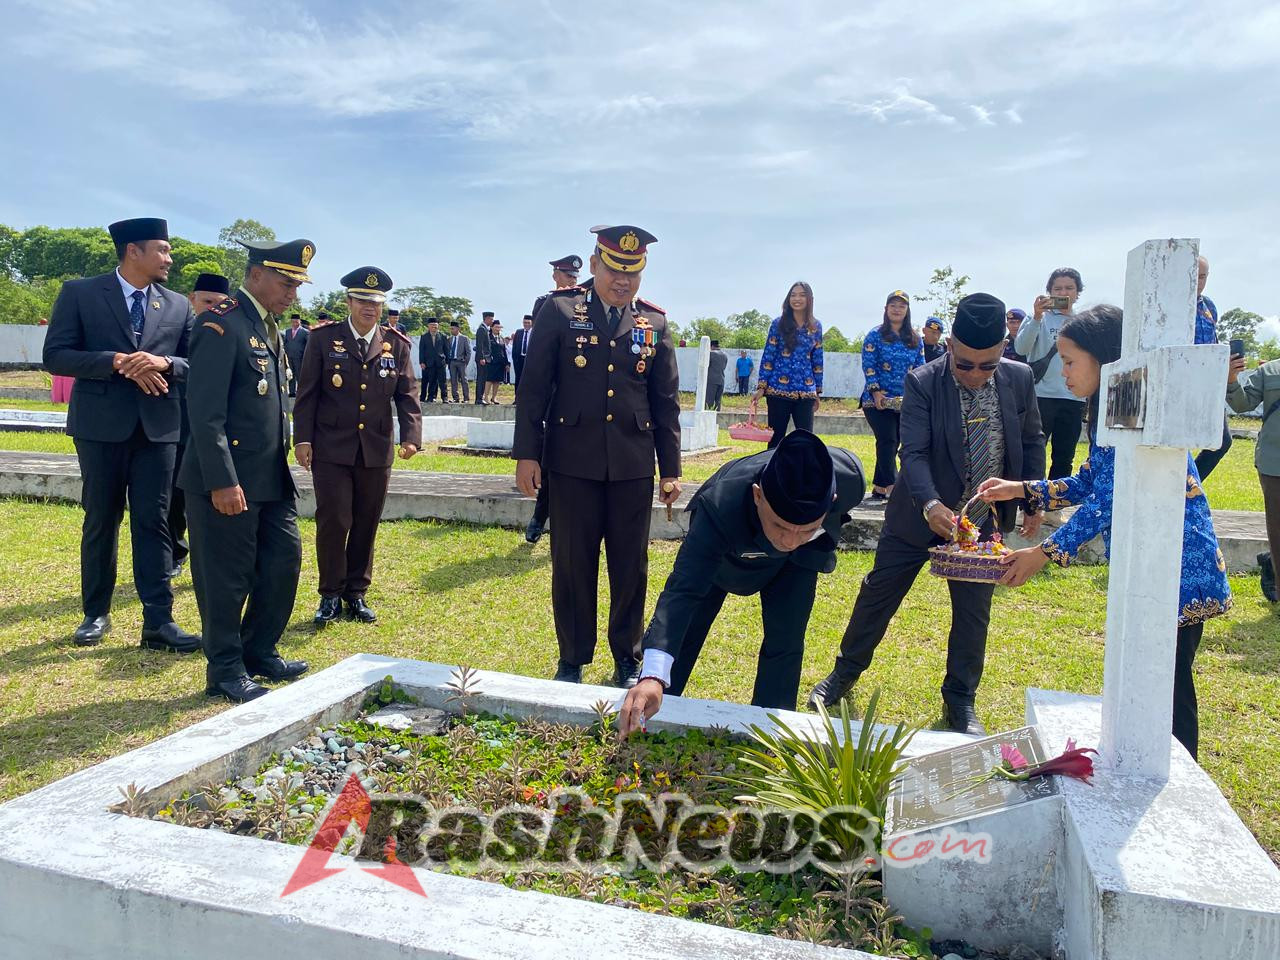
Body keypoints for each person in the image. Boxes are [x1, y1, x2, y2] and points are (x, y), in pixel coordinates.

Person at [981, 304, 1231, 759]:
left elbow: (1107, 497)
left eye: (1071, 361)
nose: (1063, 371)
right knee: (1152, 678)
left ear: (1105, 359)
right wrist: (1022, 489)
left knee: (1168, 684)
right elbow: (1092, 481)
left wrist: (1044, 553)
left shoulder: (1137, 408)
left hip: (1176, 565)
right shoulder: (1107, 407)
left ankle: (1181, 772)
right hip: (1151, 563)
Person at [808, 293, 1045, 735]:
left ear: (1002, 352)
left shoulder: (1020, 378)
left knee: (974, 612)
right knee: (879, 593)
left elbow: (1031, 440)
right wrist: (931, 504)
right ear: (950, 345)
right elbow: (912, 452)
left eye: (988, 365)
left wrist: (1032, 497)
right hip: (918, 514)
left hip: (981, 521)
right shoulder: (922, 381)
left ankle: (961, 701)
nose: (976, 375)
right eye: (966, 364)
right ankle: (844, 674)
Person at [513, 224, 682, 687]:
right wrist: (527, 454)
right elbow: (533, 389)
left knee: (631, 566)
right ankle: (572, 658)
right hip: (571, 460)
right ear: (594, 264)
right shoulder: (561, 310)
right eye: (613, 269)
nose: (622, 280)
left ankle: (628, 657)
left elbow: (665, 402)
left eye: (632, 272)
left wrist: (670, 469)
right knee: (572, 562)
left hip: (631, 465)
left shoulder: (654, 323)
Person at [618, 431, 866, 735]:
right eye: (780, 525)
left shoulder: (849, 480)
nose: (788, 540)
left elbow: (801, 531)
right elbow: (683, 591)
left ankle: (769, 735)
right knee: (686, 631)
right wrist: (652, 676)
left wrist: (804, 536)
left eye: (804, 529)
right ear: (758, 495)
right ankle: (656, 709)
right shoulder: (720, 505)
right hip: (724, 560)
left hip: (797, 566)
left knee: (786, 640)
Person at [42, 217, 200, 653]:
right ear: (134, 251)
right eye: (163, 250)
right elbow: (55, 355)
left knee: (155, 522)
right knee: (101, 519)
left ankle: (159, 622)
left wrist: (163, 364)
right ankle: (95, 613)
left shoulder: (177, 305)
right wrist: (116, 361)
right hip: (100, 429)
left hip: (159, 430)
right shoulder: (81, 293)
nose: (170, 258)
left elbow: (195, 364)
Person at [179, 237, 316, 702]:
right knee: (226, 576)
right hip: (228, 480)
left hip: (270, 476)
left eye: (297, 285)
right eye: (286, 282)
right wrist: (222, 480)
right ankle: (224, 668)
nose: (293, 293)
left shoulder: (267, 327)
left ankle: (260, 651)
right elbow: (205, 413)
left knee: (283, 563)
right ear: (256, 274)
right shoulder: (222, 325)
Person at [294, 265, 422, 626]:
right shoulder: (323, 339)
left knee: (367, 520)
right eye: (363, 300)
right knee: (334, 519)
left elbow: (408, 395)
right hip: (331, 448)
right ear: (349, 301)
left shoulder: (395, 344)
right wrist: (302, 438)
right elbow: (307, 394)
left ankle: (356, 593)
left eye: (377, 302)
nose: (371, 308)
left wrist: (412, 437)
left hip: (375, 448)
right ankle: (330, 595)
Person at [170, 271, 232, 578]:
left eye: (221, 303)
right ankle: (176, 552)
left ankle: (211, 556)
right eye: (207, 301)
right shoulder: (179, 328)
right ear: (192, 299)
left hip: (214, 427)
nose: (213, 308)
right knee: (175, 494)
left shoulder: (226, 330)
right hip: (177, 422)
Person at [522, 255, 583, 544]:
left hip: (578, 398)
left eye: (575, 275)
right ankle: (539, 517)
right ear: (555, 275)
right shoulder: (547, 304)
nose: (572, 278)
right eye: (567, 274)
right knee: (549, 462)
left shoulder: (585, 304)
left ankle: (555, 522)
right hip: (553, 398)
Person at [1015, 267, 1086, 480]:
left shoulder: (1084, 321)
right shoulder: (1038, 318)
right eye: (1058, 288)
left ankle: (1055, 507)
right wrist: (1036, 316)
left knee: (1065, 456)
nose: (1063, 293)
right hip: (1041, 395)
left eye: (1069, 288)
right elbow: (1021, 348)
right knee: (1034, 451)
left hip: (1073, 396)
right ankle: (1028, 502)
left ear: (1077, 292)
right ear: (1049, 291)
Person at [860, 290, 926, 501]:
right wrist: (876, 391)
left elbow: (920, 368)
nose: (897, 310)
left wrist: (918, 396)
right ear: (886, 310)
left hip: (904, 401)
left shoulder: (915, 339)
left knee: (894, 441)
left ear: (907, 311)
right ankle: (892, 486)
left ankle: (879, 487)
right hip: (876, 401)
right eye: (893, 306)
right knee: (887, 439)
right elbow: (868, 365)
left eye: (902, 306)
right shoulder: (875, 335)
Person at [1226, 351, 1280, 603]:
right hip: (1275, 464)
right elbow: (1242, 404)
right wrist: (1231, 379)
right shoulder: (1269, 372)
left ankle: (1270, 562)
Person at [751, 281, 823, 448]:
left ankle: (803, 474)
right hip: (778, 390)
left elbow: (817, 360)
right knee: (775, 440)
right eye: (793, 295)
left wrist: (817, 392)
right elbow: (769, 355)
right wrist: (762, 386)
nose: (797, 299)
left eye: (802, 295)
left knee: (806, 441)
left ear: (809, 299)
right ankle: (772, 473)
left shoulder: (816, 326)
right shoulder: (778, 324)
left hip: (806, 391)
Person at [1193, 256, 1233, 480]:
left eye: (1202, 276)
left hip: (1209, 382)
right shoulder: (1171, 306)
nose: (1198, 281)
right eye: (1194, 275)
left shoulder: (1209, 306)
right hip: (1182, 380)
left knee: (1222, 441)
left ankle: (1187, 488)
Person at [282, 312, 309, 398]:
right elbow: (285, 343)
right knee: (290, 375)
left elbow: (308, 345)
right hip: (289, 357)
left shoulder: (305, 332)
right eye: (293, 322)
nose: (294, 323)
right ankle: (292, 392)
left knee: (299, 375)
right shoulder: (288, 331)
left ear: (299, 322)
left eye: (296, 322)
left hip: (300, 357)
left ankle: (301, 391)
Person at [446, 319, 471, 402]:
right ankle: (455, 398)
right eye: (450, 328)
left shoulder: (464, 338)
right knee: (453, 380)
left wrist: (465, 362)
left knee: (464, 380)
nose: (451, 330)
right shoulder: (449, 339)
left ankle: (466, 398)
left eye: (453, 328)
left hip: (461, 361)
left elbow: (468, 352)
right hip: (452, 362)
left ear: (458, 329)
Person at [484, 321, 507, 403]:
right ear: (492, 327)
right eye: (496, 327)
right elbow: (485, 349)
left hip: (500, 363)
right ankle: (486, 397)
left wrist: (506, 363)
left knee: (497, 380)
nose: (498, 329)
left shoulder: (501, 338)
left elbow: (504, 351)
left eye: (499, 327)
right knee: (489, 379)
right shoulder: (488, 337)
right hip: (491, 362)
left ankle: (494, 397)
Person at [474, 311, 494, 404]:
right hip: (483, 358)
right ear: (486, 319)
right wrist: (481, 357)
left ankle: (480, 397)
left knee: (483, 378)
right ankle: (479, 398)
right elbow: (480, 345)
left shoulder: (486, 329)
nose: (492, 321)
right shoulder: (481, 329)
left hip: (486, 358)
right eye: (491, 319)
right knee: (481, 379)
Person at [511, 315, 534, 390]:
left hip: (529, 359)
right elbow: (514, 347)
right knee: (518, 378)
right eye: (524, 323)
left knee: (529, 378)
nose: (526, 324)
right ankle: (517, 398)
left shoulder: (534, 333)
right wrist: (515, 359)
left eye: (528, 323)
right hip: (519, 359)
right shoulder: (519, 332)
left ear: (532, 323)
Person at [705, 339, 728, 410]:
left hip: (711, 380)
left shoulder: (711, 354)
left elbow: (706, 365)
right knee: (718, 401)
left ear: (711, 346)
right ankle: (717, 417)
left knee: (709, 401)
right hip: (721, 380)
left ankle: (708, 418)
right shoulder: (725, 355)